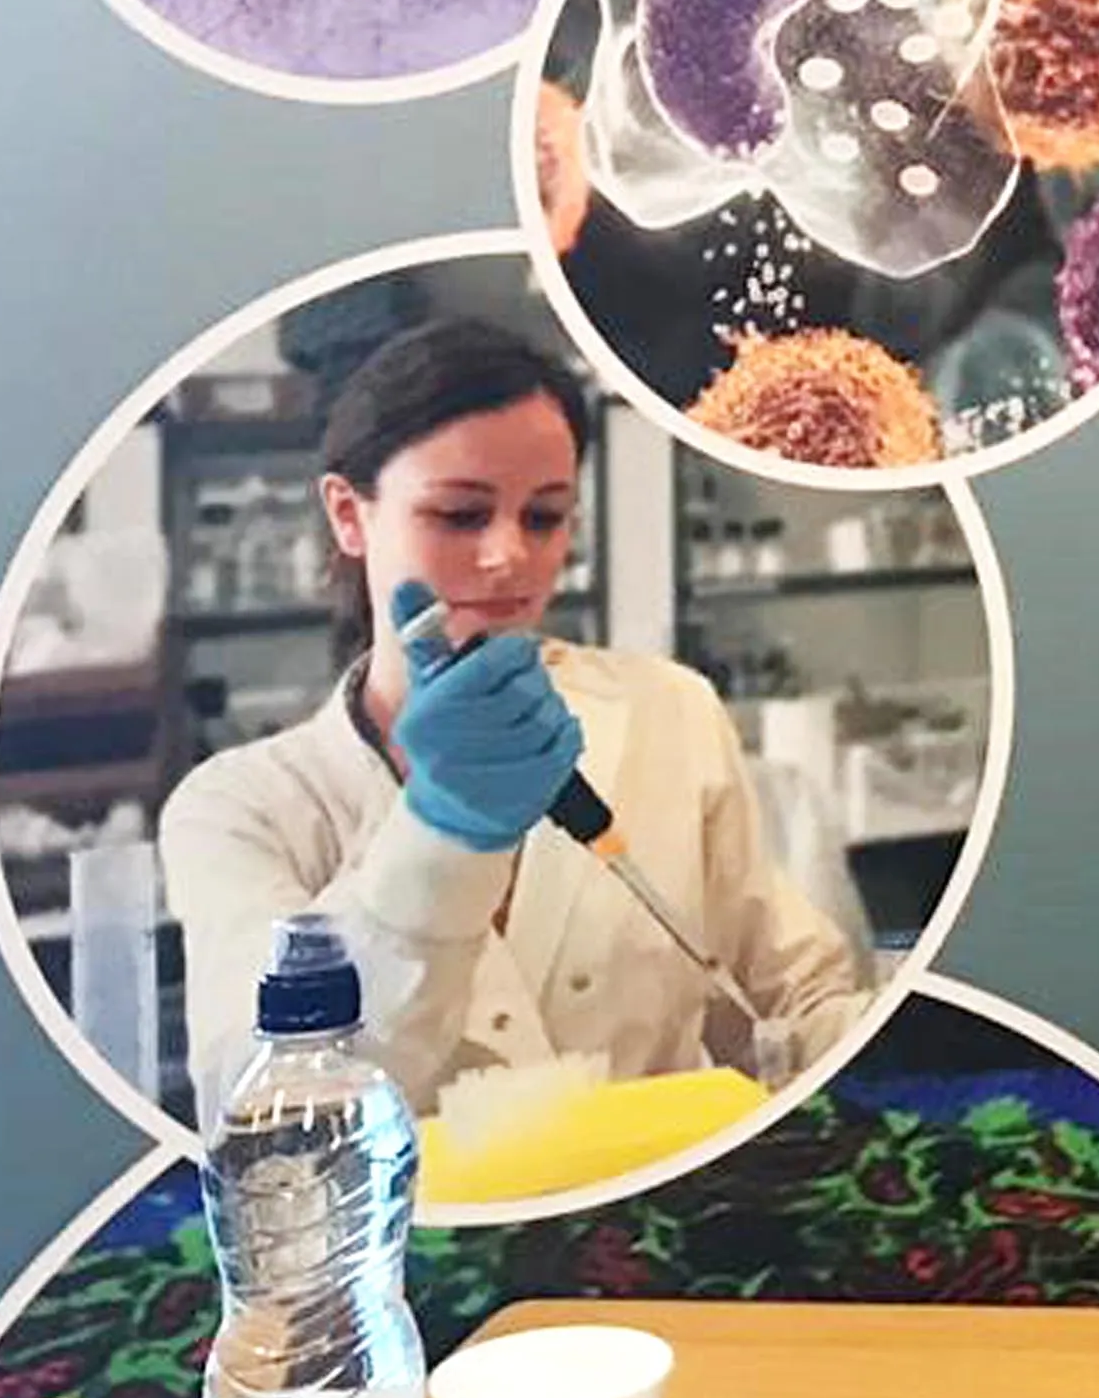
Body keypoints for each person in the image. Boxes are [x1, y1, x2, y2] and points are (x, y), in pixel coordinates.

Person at [163, 316, 869, 1118]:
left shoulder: (669, 711)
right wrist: (442, 836)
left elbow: (785, 1006)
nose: (509, 556)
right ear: (349, 515)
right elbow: (260, 1105)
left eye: (544, 516)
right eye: (460, 515)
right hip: (428, 1237)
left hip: (663, 1214)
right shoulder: (240, 808)